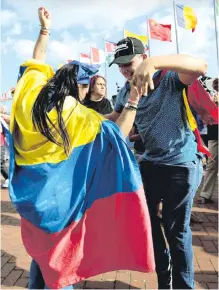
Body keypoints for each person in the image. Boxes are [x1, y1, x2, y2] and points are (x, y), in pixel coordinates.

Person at [6, 8, 155, 290]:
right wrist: (133, 99)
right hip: (60, 209)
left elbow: (37, 59)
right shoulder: (75, 115)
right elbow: (116, 136)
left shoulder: (31, 93)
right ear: (80, 88)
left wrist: (45, 30)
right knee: (61, 266)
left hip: (32, 204)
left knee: (42, 259)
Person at [106, 37, 207, 289]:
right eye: (119, 65)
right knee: (148, 226)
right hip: (150, 163)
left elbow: (199, 65)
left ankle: (184, 286)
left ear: (143, 57)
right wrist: (78, 116)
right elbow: (114, 119)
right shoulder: (124, 92)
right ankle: (165, 283)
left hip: (181, 164)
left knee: (177, 231)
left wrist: (154, 63)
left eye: (128, 63)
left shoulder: (169, 78)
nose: (125, 70)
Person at [198, 78, 218, 204]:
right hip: (214, 134)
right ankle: (205, 195)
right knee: (211, 164)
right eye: (216, 84)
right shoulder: (210, 98)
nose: (217, 86)